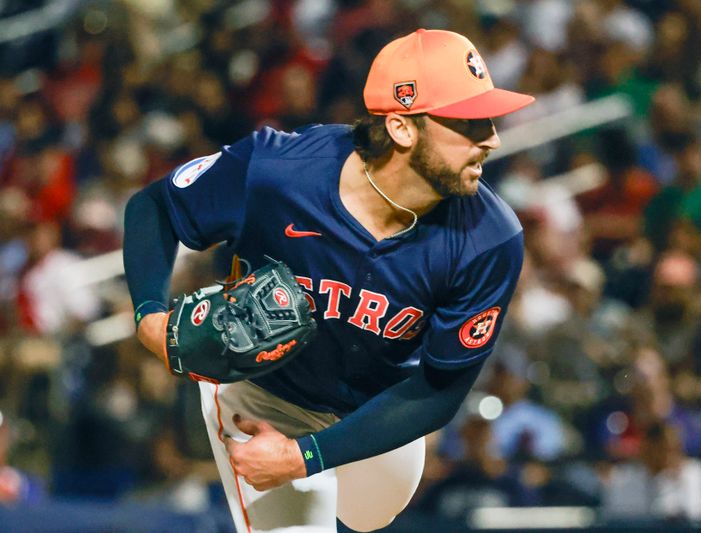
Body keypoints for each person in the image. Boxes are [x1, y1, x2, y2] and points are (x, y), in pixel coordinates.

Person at [123, 28, 534, 532]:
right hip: (263, 396)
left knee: (370, 515)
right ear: (403, 128)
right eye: (469, 122)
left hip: (382, 409)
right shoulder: (279, 170)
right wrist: (149, 316)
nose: (491, 138)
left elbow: (439, 389)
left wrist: (306, 457)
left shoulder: (489, 238)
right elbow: (155, 207)